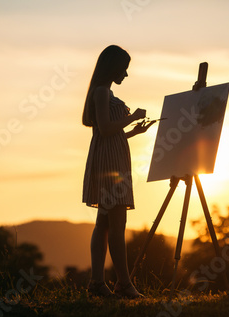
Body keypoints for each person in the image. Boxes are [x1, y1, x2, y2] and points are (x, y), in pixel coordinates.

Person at [82, 45, 155, 298]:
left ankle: (97, 283)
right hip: (109, 165)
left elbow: (113, 134)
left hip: (112, 159)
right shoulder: (102, 92)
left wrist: (135, 130)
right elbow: (104, 128)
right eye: (123, 68)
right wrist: (132, 116)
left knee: (104, 223)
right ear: (113, 67)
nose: (125, 74)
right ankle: (123, 284)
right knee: (116, 223)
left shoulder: (105, 91)